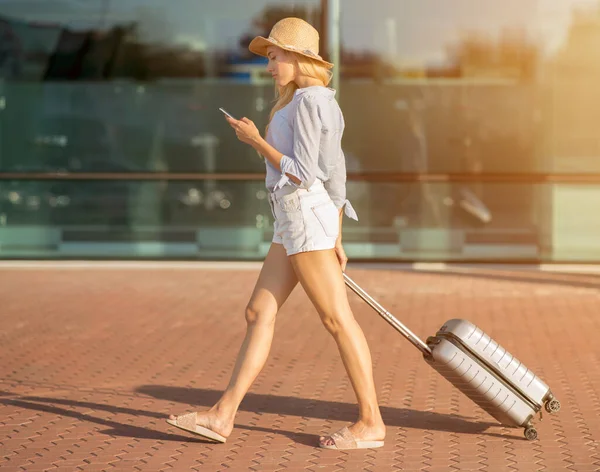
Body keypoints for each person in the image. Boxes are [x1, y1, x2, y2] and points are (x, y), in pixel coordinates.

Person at [167, 17, 386, 451]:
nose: (269, 66)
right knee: (257, 312)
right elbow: (336, 175)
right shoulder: (307, 100)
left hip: (304, 216)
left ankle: (371, 422)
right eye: (269, 57)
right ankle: (222, 416)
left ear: (298, 57)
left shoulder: (310, 101)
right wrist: (339, 236)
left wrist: (254, 140)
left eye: (274, 56)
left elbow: (305, 174)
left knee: (336, 319)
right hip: (295, 220)